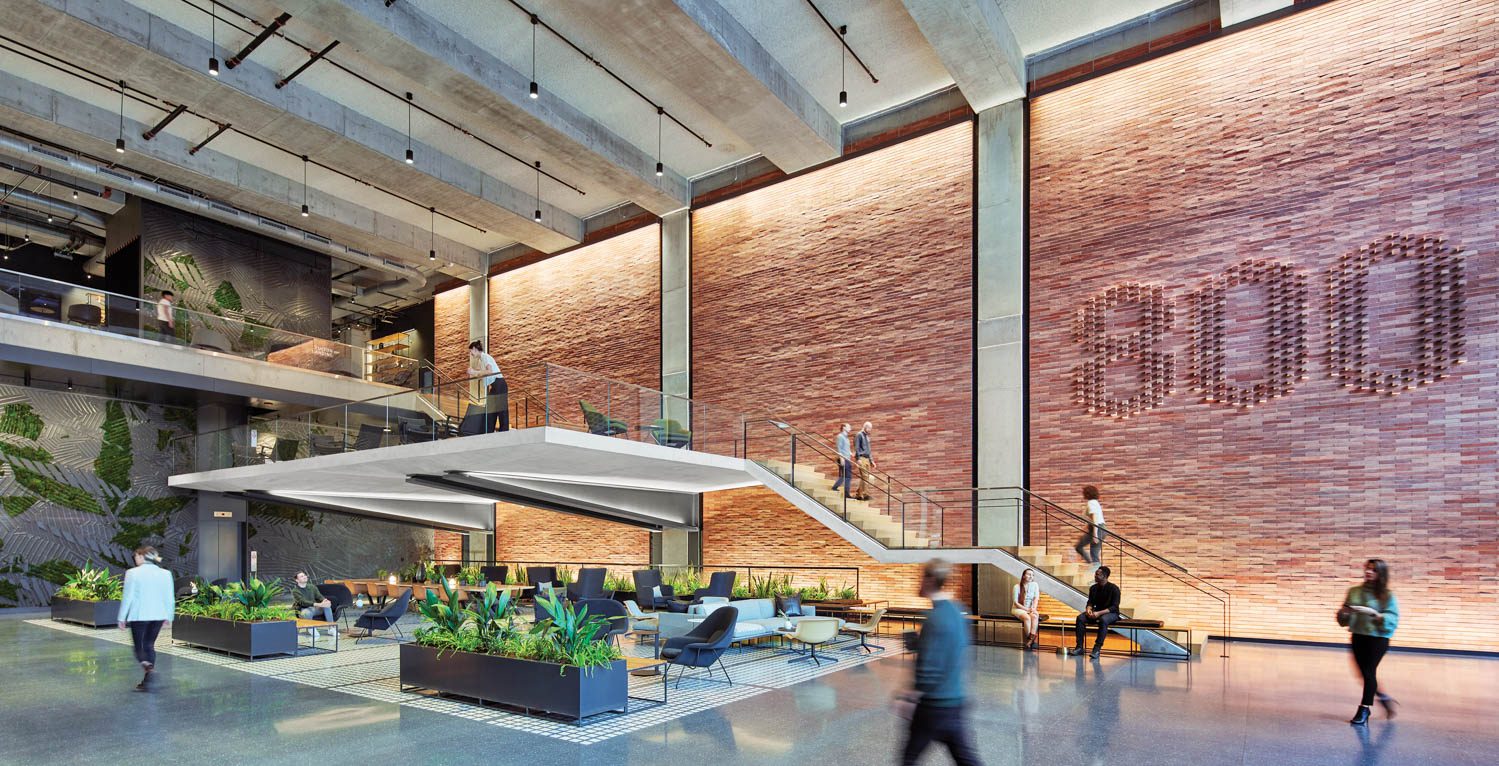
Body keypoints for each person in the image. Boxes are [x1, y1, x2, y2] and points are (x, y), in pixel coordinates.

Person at [894, 559, 983, 766]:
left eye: (922, 577)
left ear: (931, 580)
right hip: (955, 701)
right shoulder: (959, 611)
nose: (919, 582)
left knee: (908, 759)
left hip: (934, 705)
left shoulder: (935, 618)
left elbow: (929, 669)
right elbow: (952, 649)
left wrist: (909, 697)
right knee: (966, 759)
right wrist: (920, 643)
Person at [1339, 559, 1399, 726]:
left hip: (1378, 639)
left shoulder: (1387, 595)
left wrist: (1375, 614)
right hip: (1358, 636)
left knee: (1369, 672)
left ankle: (1364, 709)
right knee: (1363, 675)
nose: (1368, 572)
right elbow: (1343, 616)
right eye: (1367, 569)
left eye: (1373, 570)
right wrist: (1344, 614)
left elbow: (1393, 619)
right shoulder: (1354, 591)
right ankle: (1385, 698)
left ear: (1380, 574)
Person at [116, 545, 174, 691]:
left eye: (136, 556)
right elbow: (169, 597)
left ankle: (149, 668)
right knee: (149, 644)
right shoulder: (165, 573)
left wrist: (122, 618)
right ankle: (147, 680)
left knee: (139, 648)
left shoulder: (132, 573)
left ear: (142, 556)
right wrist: (169, 616)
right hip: (159, 615)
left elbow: (127, 597)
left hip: (139, 615)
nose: (135, 559)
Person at [1073, 565, 1120, 659]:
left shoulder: (1114, 589)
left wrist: (1098, 613)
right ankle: (1079, 647)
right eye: (1095, 574)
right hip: (1097, 612)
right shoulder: (1093, 588)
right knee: (1080, 618)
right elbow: (1090, 602)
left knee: (1103, 620)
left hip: (1111, 613)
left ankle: (1097, 648)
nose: (1095, 576)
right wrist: (1088, 609)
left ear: (1105, 576)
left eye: (1097, 574)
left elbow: (1114, 607)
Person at [467, 340, 509, 432]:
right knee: (491, 409)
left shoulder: (485, 357)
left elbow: (489, 371)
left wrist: (474, 372)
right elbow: (481, 373)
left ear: (474, 349)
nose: (471, 354)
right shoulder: (481, 360)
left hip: (499, 383)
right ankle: (489, 431)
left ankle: (504, 431)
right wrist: (473, 372)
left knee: (501, 409)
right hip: (494, 385)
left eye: (471, 351)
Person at [292, 570, 335, 640]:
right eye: (301, 576)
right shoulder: (295, 591)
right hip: (303, 609)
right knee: (307, 613)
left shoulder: (312, 587)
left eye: (304, 575)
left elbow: (319, 596)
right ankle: (311, 628)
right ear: (297, 580)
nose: (304, 577)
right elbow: (303, 602)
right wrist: (319, 604)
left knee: (327, 607)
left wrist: (325, 601)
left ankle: (331, 628)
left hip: (315, 608)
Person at [1074, 485, 1106, 565]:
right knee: (1079, 546)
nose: (1083, 494)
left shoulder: (1091, 503)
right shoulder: (1094, 503)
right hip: (1096, 529)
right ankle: (1090, 564)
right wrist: (1085, 529)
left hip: (1098, 529)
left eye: (1084, 493)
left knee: (1094, 554)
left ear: (1087, 494)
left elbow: (1095, 519)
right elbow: (1092, 520)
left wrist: (1095, 535)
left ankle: (1097, 574)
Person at [1011, 568, 1041, 650]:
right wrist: (1027, 610)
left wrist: (1033, 608)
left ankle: (1029, 641)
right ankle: (1032, 640)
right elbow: (1016, 603)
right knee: (1027, 618)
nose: (1031, 576)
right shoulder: (1016, 587)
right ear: (1024, 576)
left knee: (1034, 616)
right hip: (1018, 609)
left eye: (1032, 575)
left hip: (1029, 608)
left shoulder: (1035, 585)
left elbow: (1036, 598)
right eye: (1029, 574)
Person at [853, 421, 877, 500]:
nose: (870, 430)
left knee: (865, 477)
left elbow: (869, 450)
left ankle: (859, 494)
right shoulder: (859, 435)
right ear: (865, 427)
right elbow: (856, 448)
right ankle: (865, 494)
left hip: (867, 459)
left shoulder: (867, 437)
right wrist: (858, 458)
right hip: (862, 458)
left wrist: (872, 461)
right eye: (869, 428)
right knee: (865, 476)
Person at [830, 423, 853, 498]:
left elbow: (846, 448)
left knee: (846, 476)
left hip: (848, 459)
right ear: (844, 427)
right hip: (843, 459)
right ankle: (846, 493)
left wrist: (851, 453)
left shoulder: (846, 438)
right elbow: (839, 448)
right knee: (847, 476)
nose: (850, 428)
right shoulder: (840, 436)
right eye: (848, 427)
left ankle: (835, 487)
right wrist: (841, 458)